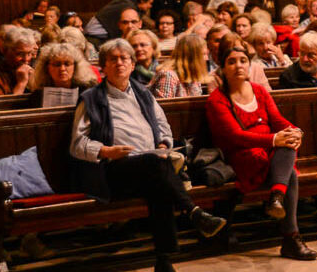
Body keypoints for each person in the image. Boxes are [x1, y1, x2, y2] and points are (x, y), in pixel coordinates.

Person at [70, 39, 227, 272]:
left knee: (159, 182)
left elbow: (163, 127)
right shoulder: (92, 98)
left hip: (147, 168)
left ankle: (164, 261)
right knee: (157, 170)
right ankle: (193, 213)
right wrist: (105, 151)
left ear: (133, 65)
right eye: (113, 59)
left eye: (124, 58)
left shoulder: (143, 93)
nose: (119, 63)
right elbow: (77, 143)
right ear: (103, 66)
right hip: (112, 170)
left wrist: (164, 145)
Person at [206, 41, 317, 260]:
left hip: (270, 152)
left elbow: (277, 120)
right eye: (232, 62)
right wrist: (275, 139)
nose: (238, 65)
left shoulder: (259, 90)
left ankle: (277, 197)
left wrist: (295, 132)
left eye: (243, 61)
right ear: (223, 67)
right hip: (241, 156)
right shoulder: (217, 100)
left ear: (249, 65)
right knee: (290, 173)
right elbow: (236, 137)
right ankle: (290, 237)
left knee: (288, 149)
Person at [28, 42, 98, 107]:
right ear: (47, 67)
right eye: (57, 64)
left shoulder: (87, 90)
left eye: (67, 64)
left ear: (75, 66)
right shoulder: (39, 94)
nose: (62, 69)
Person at [0, 26, 38, 96]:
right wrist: (21, 84)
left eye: (29, 53)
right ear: (5, 51)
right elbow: (2, 106)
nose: (26, 59)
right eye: (20, 54)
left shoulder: (33, 72)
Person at [85, 0, 156, 41]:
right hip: (96, 36)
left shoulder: (127, 2)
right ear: (142, 0)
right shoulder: (128, 7)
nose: (150, 6)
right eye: (150, 3)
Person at [150, 34, 212, 98]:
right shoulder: (169, 75)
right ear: (191, 57)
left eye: (207, 54)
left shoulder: (194, 74)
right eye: (203, 54)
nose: (206, 59)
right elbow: (163, 106)